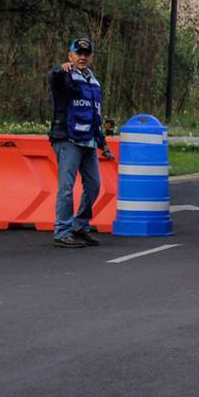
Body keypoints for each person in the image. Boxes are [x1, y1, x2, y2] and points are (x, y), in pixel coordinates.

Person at [48, 37, 114, 248]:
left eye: (86, 54)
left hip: (89, 141)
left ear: (91, 57)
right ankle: (62, 232)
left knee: (94, 185)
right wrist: (60, 69)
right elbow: (53, 80)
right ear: (70, 56)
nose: (82, 57)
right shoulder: (65, 76)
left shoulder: (94, 81)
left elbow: (96, 115)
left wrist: (103, 143)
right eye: (78, 53)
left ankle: (80, 226)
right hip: (67, 138)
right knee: (66, 188)